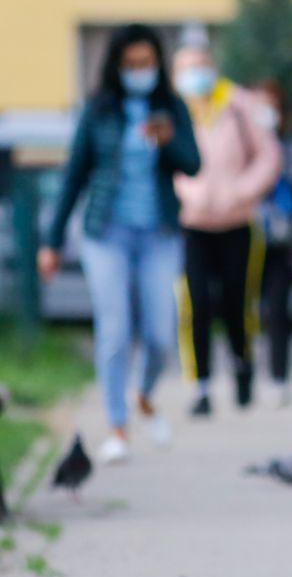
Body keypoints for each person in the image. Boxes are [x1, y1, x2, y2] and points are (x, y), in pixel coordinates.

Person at [40, 25, 200, 462]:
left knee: (160, 333)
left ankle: (143, 393)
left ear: (158, 64)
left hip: (158, 233)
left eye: (146, 63)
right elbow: (74, 176)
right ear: (116, 66)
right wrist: (52, 242)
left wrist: (169, 142)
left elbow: (193, 165)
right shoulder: (99, 110)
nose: (139, 71)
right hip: (106, 232)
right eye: (131, 64)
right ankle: (117, 426)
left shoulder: (172, 107)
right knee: (115, 329)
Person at [170, 43, 282, 417]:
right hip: (192, 224)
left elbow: (269, 155)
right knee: (195, 304)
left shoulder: (239, 104)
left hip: (238, 221)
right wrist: (187, 192)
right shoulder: (173, 109)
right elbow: (164, 161)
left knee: (237, 303)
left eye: (200, 65)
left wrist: (242, 191)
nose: (194, 74)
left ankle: (242, 366)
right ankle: (200, 385)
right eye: (186, 68)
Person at [253, 79, 292, 408]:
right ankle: (244, 373)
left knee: (278, 311)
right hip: (244, 237)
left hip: (282, 240)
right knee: (245, 311)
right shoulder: (242, 149)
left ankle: (279, 376)